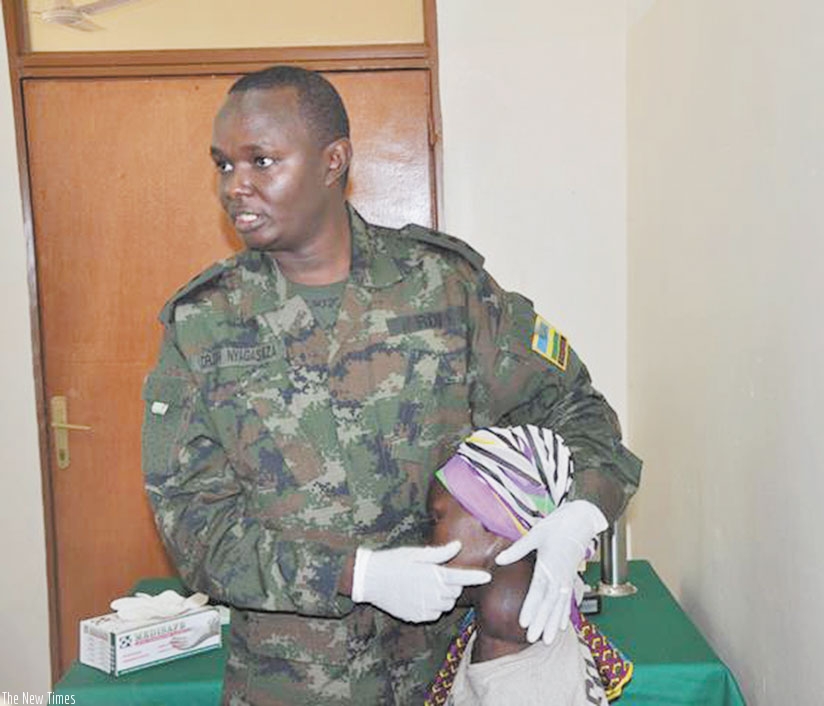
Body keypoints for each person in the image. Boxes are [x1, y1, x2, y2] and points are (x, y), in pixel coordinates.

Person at [141, 65, 641, 705]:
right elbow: (194, 527)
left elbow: (577, 410)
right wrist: (357, 575)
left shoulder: (445, 288)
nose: (236, 186)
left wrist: (581, 513)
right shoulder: (203, 324)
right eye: (223, 165)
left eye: (261, 161)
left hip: (438, 675)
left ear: (333, 161)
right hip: (287, 685)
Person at [422, 425, 633, 705]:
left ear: (492, 523)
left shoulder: (508, 610)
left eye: (436, 519)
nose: (426, 541)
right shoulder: (521, 593)